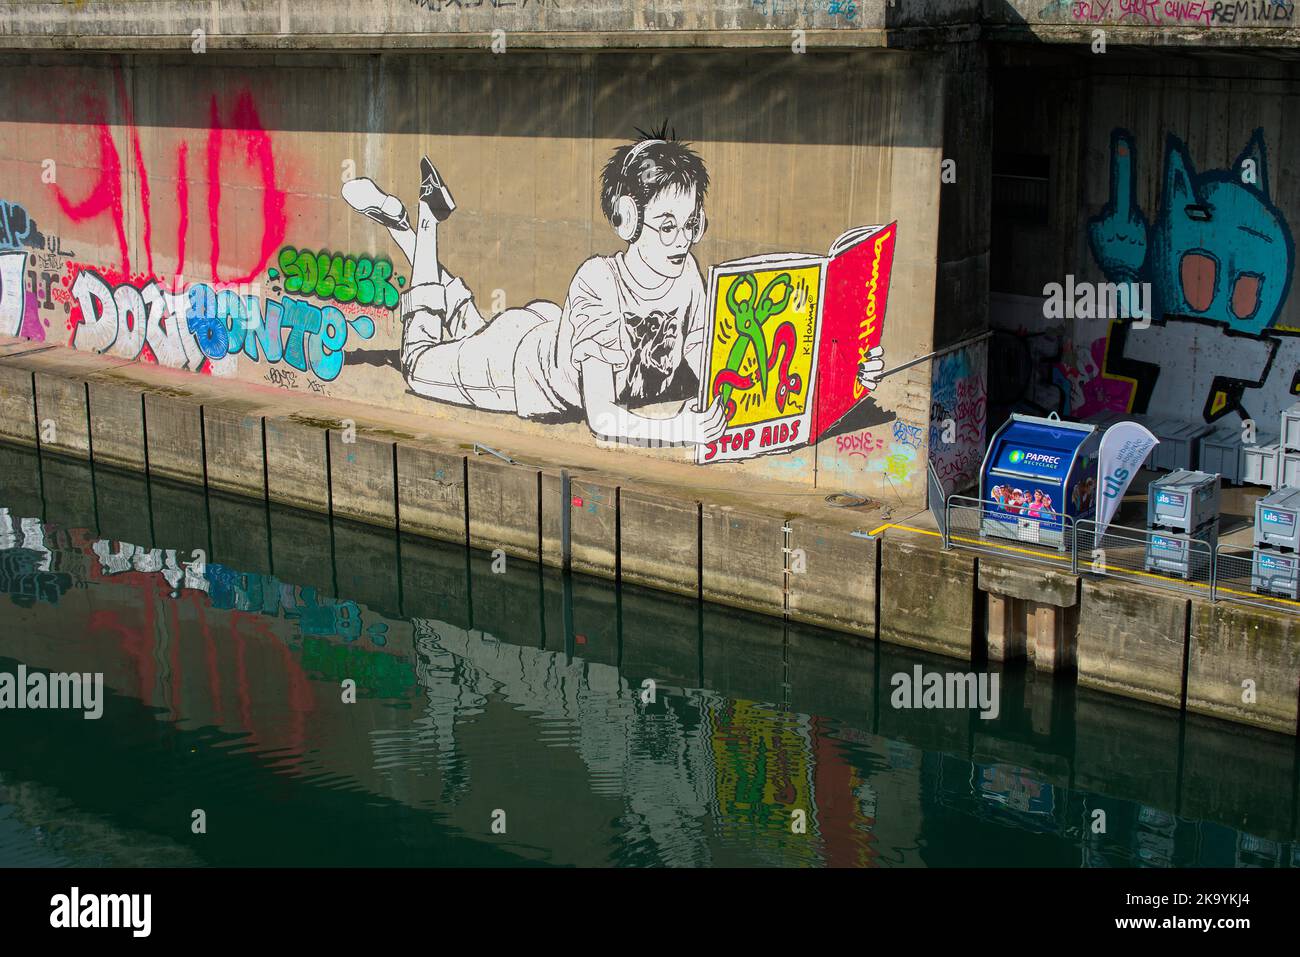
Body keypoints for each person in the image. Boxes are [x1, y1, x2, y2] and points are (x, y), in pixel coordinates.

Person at [341, 132, 885, 449]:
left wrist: (841, 369)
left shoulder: (688, 276)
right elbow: (602, 420)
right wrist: (680, 429)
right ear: (628, 220)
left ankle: (413, 237)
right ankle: (419, 225)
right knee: (418, 361)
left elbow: (720, 368)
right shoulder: (599, 283)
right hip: (515, 372)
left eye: (691, 224)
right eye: (666, 226)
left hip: (549, 332)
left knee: (464, 324)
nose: (681, 240)